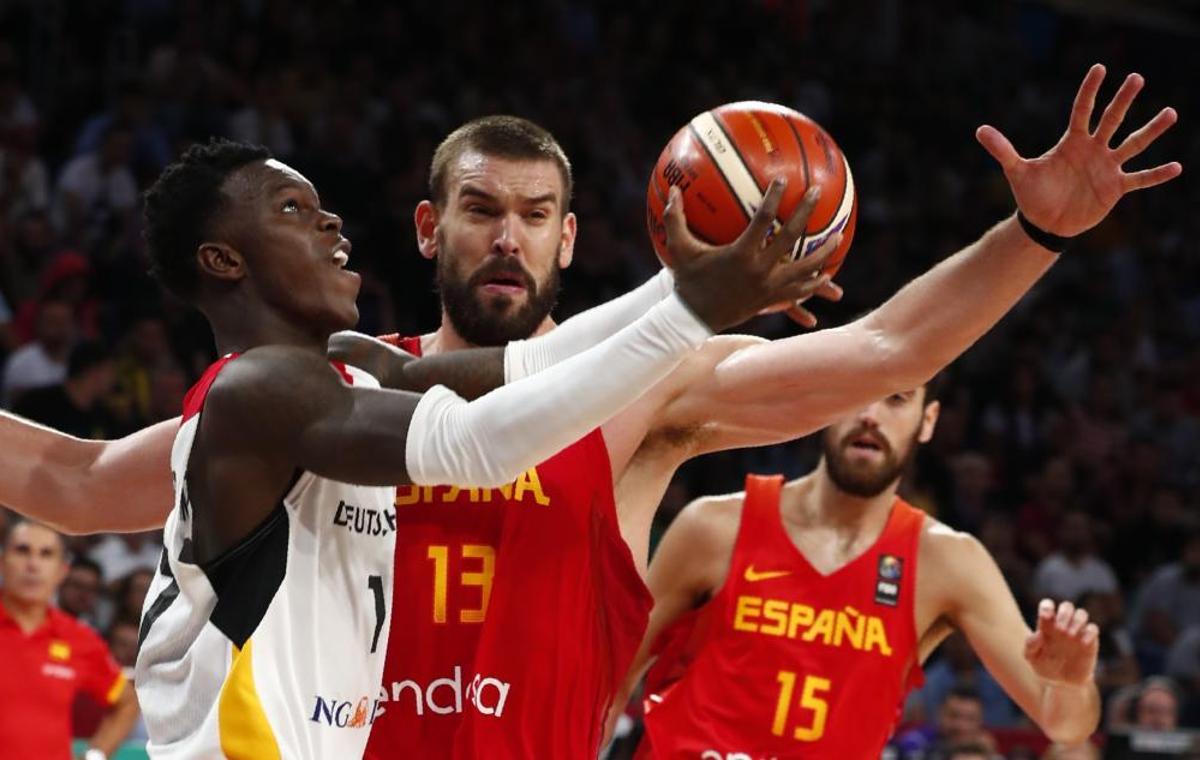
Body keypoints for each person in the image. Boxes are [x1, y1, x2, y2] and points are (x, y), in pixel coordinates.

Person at [0, 64, 1182, 757]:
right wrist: (681, 300)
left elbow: (887, 348)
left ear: (571, 238)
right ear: (430, 228)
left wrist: (1035, 233)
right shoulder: (325, 396)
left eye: (534, 215)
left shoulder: (648, 394)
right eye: (480, 210)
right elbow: (72, 480)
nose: (506, 237)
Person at [122, 135, 824, 759]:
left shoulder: (348, 374)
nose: (330, 221)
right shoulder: (255, 390)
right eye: (290, 210)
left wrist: (681, 285)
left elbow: (530, 364)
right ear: (223, 260)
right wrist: (691, 313)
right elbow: (474, 445)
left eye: (320, 206)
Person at [616, 379, 1100, 758]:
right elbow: (608, 680)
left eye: (897, 398)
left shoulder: (947, 562)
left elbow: (1065, 725)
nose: (871, 414)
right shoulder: (712, 527)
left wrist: (1070, 685)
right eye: (858, 391)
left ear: (927, 420)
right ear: (826, 401)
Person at [0, 520, 139, 760]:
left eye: (46, 554)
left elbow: (127, 703)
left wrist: (95, 755)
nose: (33, 564)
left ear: (61, 571)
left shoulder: (79, 640)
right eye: (22, 551)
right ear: (3, 562)